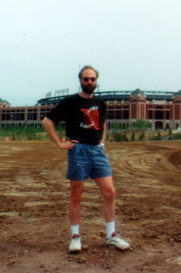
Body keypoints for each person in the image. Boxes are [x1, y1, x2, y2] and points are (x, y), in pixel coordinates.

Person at [42, 65, 130, 253]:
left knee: (110, 192)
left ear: (96, 81)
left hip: (97, 151)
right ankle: (75, 237)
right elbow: (47, 122)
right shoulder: (70, 101)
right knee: (76, 194)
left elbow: (103, 124)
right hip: (79, 150)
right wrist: (59, 143)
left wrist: (102, 142)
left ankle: (111, 235)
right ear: (80, 80)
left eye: (92, 79)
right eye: (85, 79)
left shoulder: (100, 103)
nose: (89, 82)